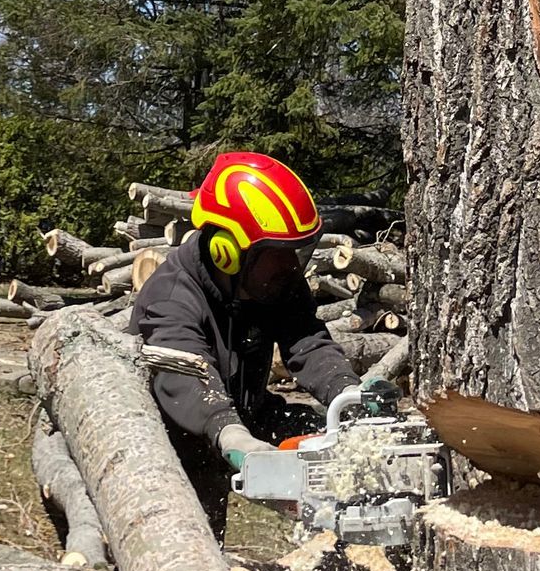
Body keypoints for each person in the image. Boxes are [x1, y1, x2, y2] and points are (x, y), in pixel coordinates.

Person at [129, 150, 396, 536]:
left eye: (297, 254)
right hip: (176, 440)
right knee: (192, 543)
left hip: (245, 411)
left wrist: (347, 394)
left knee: (328, 439)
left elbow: (307, 340)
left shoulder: (272, 281)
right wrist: (233, 435)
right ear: (227, 252)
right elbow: (184, 375)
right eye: (279, 256)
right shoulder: (171, 298)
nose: (291, 268)